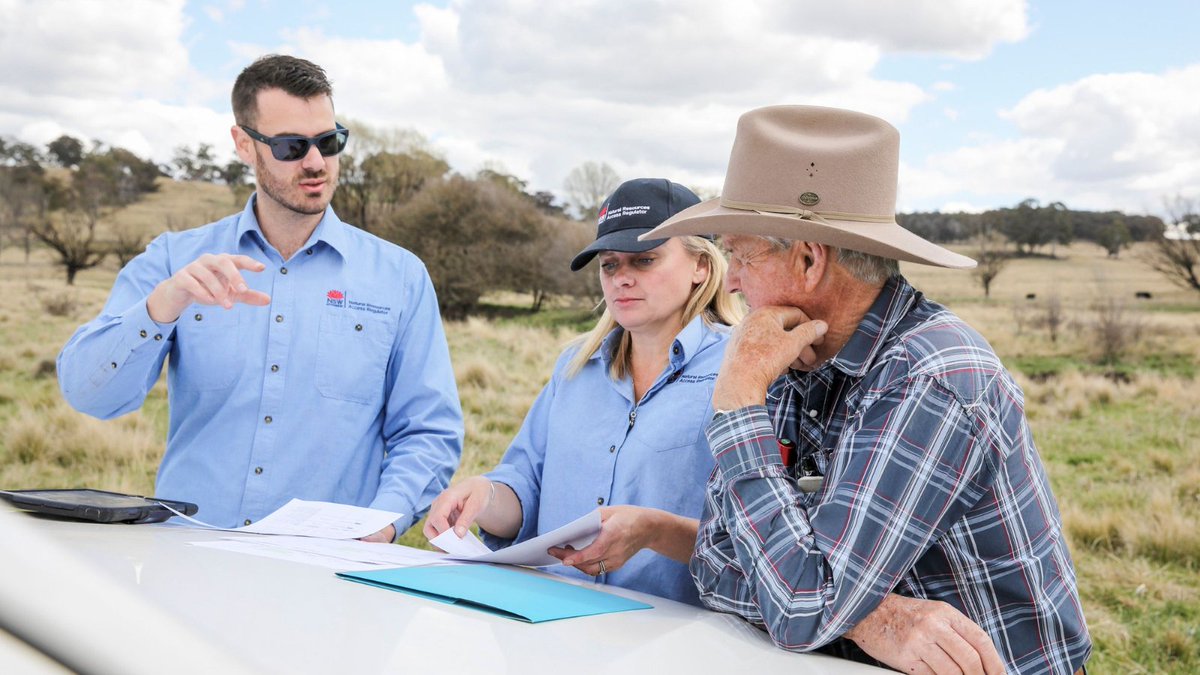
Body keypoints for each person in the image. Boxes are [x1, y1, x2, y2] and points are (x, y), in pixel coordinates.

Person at [640, 105, 1091, 673]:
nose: (730, 279)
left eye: (740, 254)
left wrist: (737, 404)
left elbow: (800, 608)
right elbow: (714, 563)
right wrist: (873, 617)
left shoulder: (933, 377)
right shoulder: (794, 353)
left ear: (808, 259)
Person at [56, 55, 462, 541]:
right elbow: (89, 395)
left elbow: (428, 432)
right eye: (292, 146)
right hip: (191, 558)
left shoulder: (401, 277)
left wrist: (381, 525)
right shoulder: (174, 261)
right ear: (244, 145)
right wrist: (163, 305)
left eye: (329, 142)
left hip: (328, 573)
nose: (316, 162)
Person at [423, 178, 740, 604]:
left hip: (672, 632)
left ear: (701, 266)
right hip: (550, 616)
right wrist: (484, 497)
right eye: (610, 265)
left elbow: (753, 535)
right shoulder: (574, 369)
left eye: (644, 260)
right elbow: (525, 484)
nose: (621, 279)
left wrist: (655, 533)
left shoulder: (740, 371)